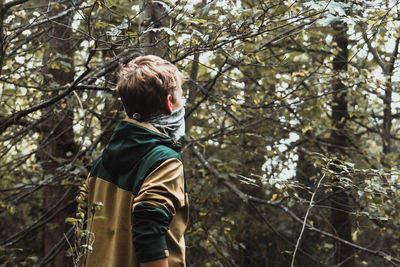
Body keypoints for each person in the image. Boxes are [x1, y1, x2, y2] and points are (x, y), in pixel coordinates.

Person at [77, 55, 188, 267]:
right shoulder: (165, 161)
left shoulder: (101, 162)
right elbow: (149, 227)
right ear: (169, 104)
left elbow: (83, 230)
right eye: (181, 96)